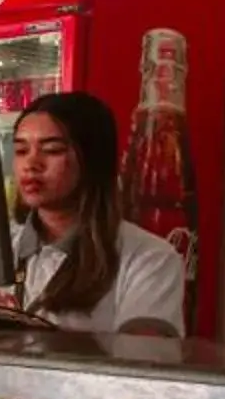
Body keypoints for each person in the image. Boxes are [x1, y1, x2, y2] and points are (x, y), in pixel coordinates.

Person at [11, 91, 184, 335]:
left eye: (51, 150)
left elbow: (143, 360)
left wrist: (25, 328)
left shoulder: (150, 258)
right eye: (21, 151)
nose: (31, 164)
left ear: (92, 159)